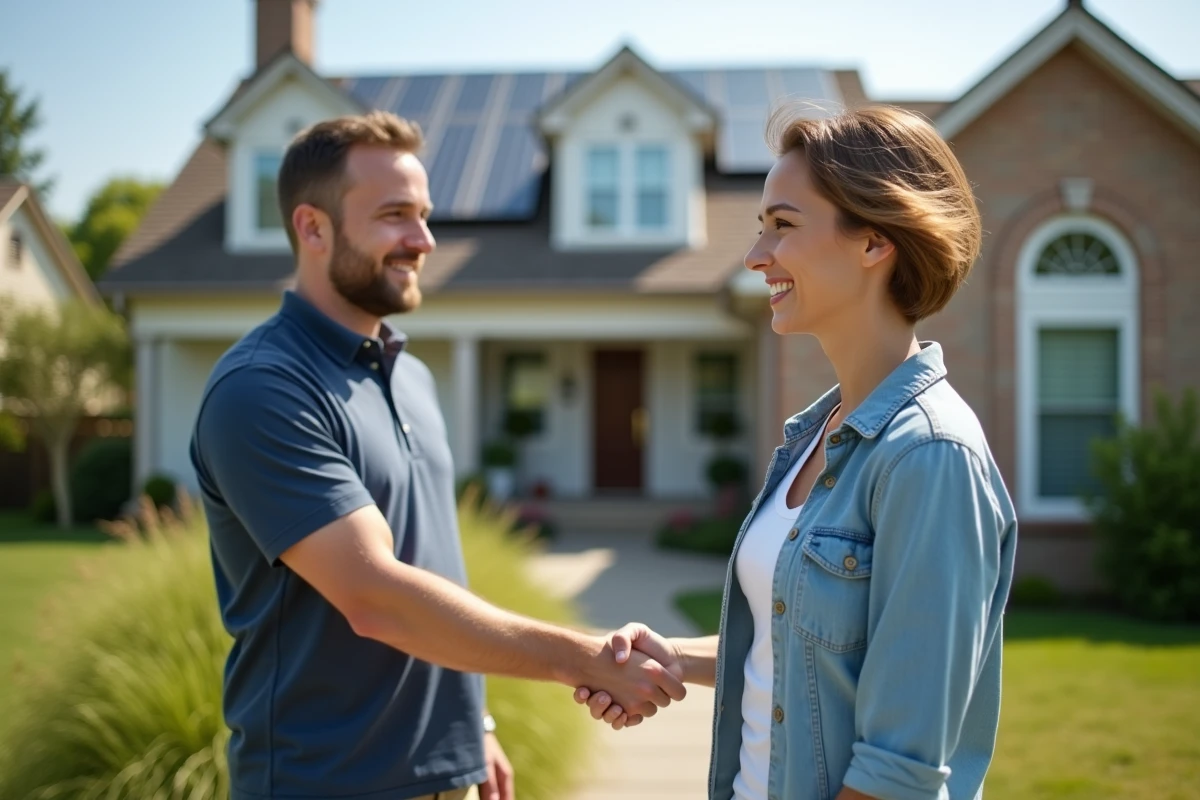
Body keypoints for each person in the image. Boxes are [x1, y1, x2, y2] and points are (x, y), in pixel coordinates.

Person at [189, 110, 686, 800]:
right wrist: (589, 661)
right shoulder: (264, 388)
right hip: (327, 784)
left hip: (447, 776)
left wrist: (471, 721)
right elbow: (375, 597)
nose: (423, 240)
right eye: (395, 215)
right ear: (312, 227)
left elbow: (430, 564)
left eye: (424, 215)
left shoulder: (408, 375)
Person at [575, 104, 1018, 800]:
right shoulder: (815, 435)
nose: (755, 256)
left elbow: (898, 771)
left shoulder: (928, 457)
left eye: (782, 226)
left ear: (873, 243)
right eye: (760, 229)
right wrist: (674, 658)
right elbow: (806, 648)